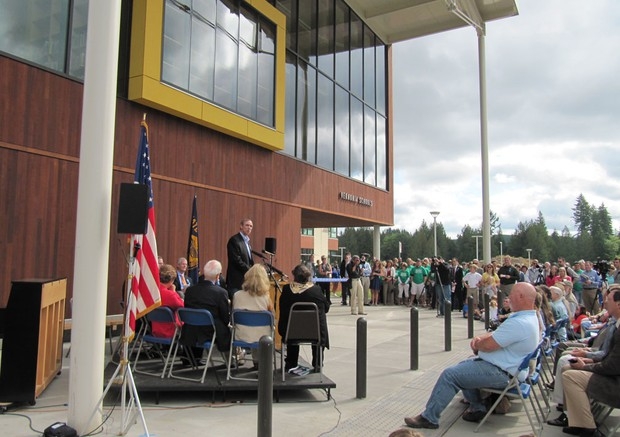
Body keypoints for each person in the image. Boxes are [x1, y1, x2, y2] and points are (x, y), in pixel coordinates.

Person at [403, 282, 539, 429]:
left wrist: (477, 344)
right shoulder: (528, 318)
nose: (509, 297)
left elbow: (489, 345)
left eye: (511, 294)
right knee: (465, 366)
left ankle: (429, 418)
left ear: (520, 296)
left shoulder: (520, 323)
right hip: (508, 369)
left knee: (450, 375)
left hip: (502, 373)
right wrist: (483, 340)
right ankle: (477, 407)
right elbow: (497, 335)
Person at [560, 286, 620, 437]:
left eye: (609, 299)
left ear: (618, 304)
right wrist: (586, 361)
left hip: (615, 384)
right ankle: (577, 421)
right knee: (568, 369)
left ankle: (588, 429)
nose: (605, 302)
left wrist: (586, 365)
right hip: (613, 377)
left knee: (570, 375)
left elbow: (612, 366)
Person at [278, 264, 330, 372]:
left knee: (289, 321)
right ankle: (318, 364)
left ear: (294, 276)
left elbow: (282, 308)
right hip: (314, 333)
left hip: (291, 333)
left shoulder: (287, 290)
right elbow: (326, 308)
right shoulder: (316, 290)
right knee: (320, 321)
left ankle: (291, 363)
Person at [181, 260, 231, 359]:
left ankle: (190, 358)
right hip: (209, 332)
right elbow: (225, 318)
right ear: (218, 276)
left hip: (189, 331)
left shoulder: (190, 290)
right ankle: (231, 361)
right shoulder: (221, 293)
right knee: (227, 328)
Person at [232, 264, 274, 367]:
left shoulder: (237, 295)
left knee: (252, 328)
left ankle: (241, 356)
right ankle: (259, 362)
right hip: (262, 338)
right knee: (261, 328)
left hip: (240, 335)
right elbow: (272, 317)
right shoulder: (266, 297)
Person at [151, 263, 184, 338]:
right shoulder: (170, 295)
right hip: (170, 331)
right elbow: (182, 307)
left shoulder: (152, 292)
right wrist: (173, 291)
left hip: (155, 330)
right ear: (172, 280)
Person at [226, 218, 255, 297]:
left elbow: (249, 260)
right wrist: (250, 270)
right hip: (236, 281)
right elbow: (236, 260)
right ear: (241, 226)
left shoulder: (247, 242)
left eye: (251, 226)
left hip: (246, 281)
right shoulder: (234, 240)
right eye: (247, 225)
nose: (249, 227)